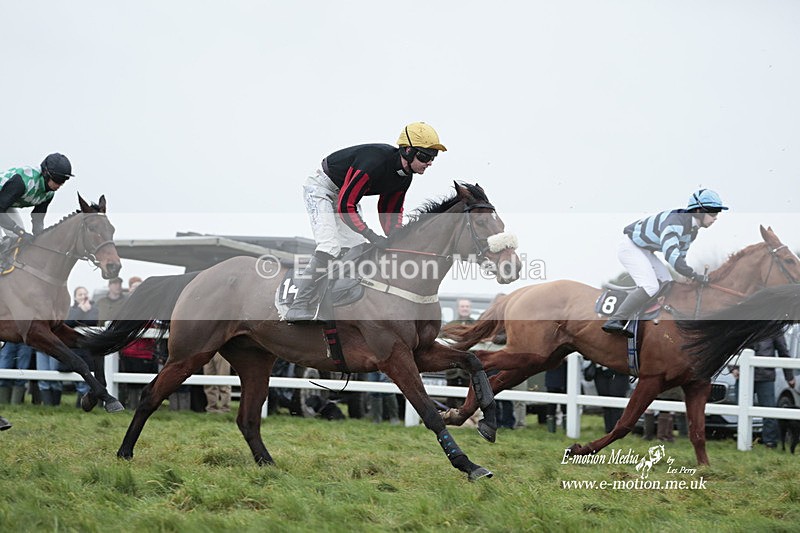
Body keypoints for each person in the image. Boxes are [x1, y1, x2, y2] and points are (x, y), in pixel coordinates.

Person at [284, 122, 446, 322]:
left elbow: (390, 212)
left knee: (357, 249)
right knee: (330, 246)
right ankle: (299, 304)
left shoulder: (404, 177)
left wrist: (396, 240)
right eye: (425, 156)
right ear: (408, 150)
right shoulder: (375, 163)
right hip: (321, 189)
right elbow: (345, 205)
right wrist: (371, 235)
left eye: (433, 157)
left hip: (344, 197)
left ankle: (333, 301)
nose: (429, 162)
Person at [602, 189, 729, 337]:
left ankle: (640, 319)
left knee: (668, 283)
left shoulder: (692, 231)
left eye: (717, 213)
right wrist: (694, 275)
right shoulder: (676, 223)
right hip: (631, 247)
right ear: (699, 211)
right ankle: (615, 320)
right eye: (713, 213)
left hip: (644, 250)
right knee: (650, 286)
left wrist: (689, 275)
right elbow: (672, 256)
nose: (716, 218)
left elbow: (681, 257)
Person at [732, 334, 796, 448]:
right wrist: (733, 368)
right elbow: (732, 347)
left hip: (765, 376)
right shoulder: (744, 324)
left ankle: (770, 443)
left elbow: (783, 351)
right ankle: (743, 440)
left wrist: (789, 376)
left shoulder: (773, 327)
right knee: (740, 409)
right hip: (743, 375)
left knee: (768, 410)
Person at [0, 153, 73, 250]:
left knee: (17, 239)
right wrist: (20, 231)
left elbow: (37, 220)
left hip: (4, 203)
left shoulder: (49, 194)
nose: (60, 185)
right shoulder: (22, 182)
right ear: (46, 173)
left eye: (64, 181)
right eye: (57, 180)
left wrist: (41, 240)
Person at [65, 286, 99, 407]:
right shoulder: (70, 310)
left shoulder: (94, 309)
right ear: (75, 297)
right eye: (80, 295)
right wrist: (81, 311)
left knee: (87, 377)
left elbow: (92, 322)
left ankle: (83, 404)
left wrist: (83, 313)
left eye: (85, 294)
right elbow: (67, 323)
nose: (83, 297)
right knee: (78, 377)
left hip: (87, 348)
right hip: (74, 348)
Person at [96, 277, 129, 388]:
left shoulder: (126, 302)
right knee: (100, 367)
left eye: (119, 283)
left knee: (120, 369)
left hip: (119, 340)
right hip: (102, 339)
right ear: (109, 285)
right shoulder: (101, 302)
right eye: (115, 283)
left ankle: (121, 395)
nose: (117, 286)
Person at [443, 298, 475, 409]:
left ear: (470, 309)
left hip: (468, 369)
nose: (465, 309)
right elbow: (442, 338)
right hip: (452, 368)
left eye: (467, 306)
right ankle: (450, 418)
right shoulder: (451, 325)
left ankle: (466, 419)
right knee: (450, 396)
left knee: (468, 396)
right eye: (462, 306)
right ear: (458, 308)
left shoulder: (476, 325)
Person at [592, 364, 630, 433]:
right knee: (605, 402)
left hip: (618, 370)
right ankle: (608, 429)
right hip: (600, 371)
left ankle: (617, 430)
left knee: (616, 401)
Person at [545, 361, 567, 432]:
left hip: (566, 377)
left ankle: (567, 428)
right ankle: (551, 430)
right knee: (551, 406)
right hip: (552, 376)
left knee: (565, 406)